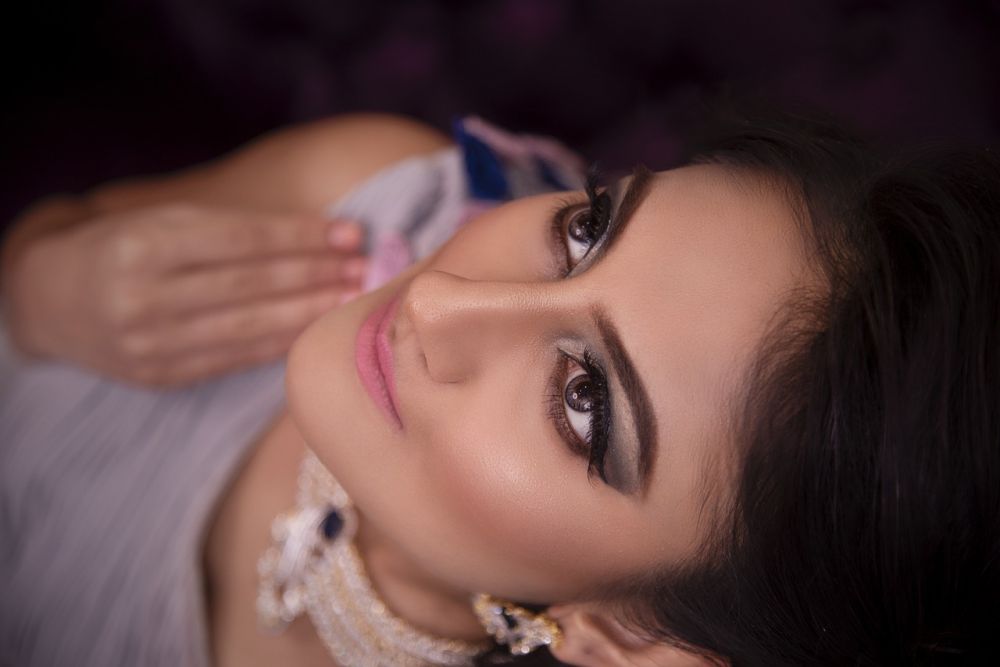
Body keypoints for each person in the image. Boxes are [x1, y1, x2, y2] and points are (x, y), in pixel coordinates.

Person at [1, 109, 997, 667]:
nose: (438, 300)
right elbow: (42, 238)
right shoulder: (379, 191)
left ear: (629, 633)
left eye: (582, 400)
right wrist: (41, 287)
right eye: (586, 231)